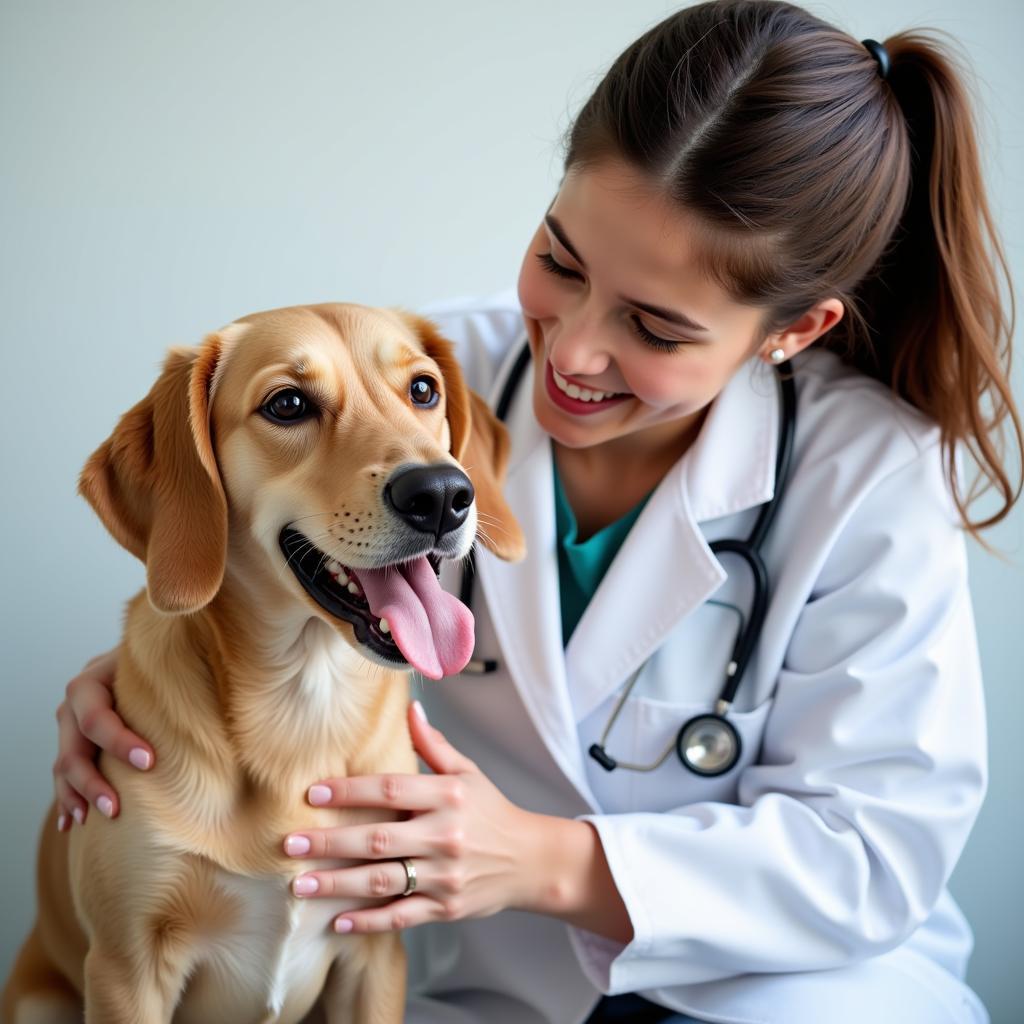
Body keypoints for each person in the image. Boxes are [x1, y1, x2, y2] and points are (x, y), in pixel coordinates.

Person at [51, 2, 1020, 1022]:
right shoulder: (422, 388)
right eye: (560, 261)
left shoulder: (870, 468)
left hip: (794, 989)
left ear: (792, 331)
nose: (570, 353)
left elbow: (875, 856)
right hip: (504, 994)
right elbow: (227, 564)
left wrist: (545, 861)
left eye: (651, 325)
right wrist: (137, 695)